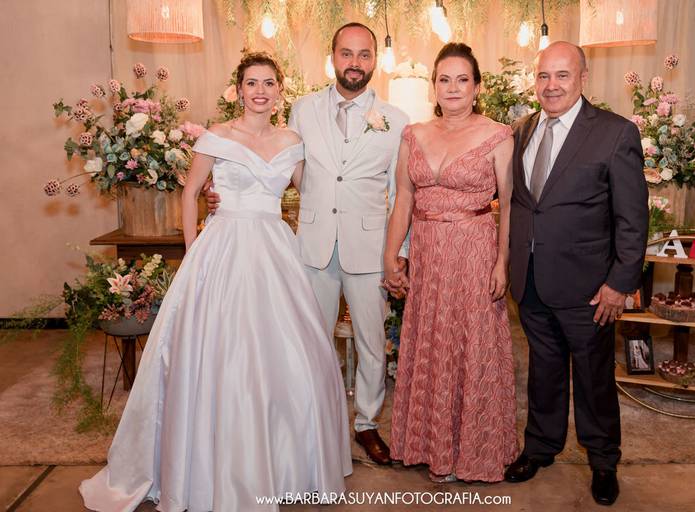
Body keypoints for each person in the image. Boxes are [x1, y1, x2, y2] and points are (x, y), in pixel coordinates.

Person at [80, 53, 352, 512]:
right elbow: (190, 193)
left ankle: (285, 461)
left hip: (275, 248)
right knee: (221, 349)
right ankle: (212, 462)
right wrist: (193, 252)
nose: (260, 91)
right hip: (224, 245)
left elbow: (311, 194)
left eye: (268, 83)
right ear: (239, 89)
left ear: (279, 90)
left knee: (289, 349)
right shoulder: (217, 136)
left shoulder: (292, 142)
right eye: (252, 83)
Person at [205, 23, 409, 465]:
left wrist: (399, 254)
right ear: (332, 57)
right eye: (346, 53)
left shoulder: (396, 121)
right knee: (309, 340)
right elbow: (274, 162)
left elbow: (401, 195)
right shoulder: (302, 110)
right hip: (312, 246)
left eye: (364, 54)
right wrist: (218, 185)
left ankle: (367, 424)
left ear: (374, 61)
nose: (354, 62)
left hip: (370, 247)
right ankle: (318, 421)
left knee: (372, 342)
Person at [503, 41, 648, 507]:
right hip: (531, 279)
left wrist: (620, 283)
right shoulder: (521, 131)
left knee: (593, 377)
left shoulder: (615, 133)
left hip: (590, 288)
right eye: (543, 76)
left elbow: (633, 219)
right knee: (543, 370)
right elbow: (523, 205)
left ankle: (603, 461)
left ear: (583, 78)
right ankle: (540, 447)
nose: (551, 85)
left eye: (562, 75)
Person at [382, 42, 518, 483]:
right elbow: (404, 199)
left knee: (472, 346)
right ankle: (430, 447)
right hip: (427, 254)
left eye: (463, 79)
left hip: (474, 251)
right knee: (430, 343)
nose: (453, 87)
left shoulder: (498, 135)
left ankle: (474, 452)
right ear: (434, 87)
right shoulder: (414, 135)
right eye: (445, 79)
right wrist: (391, 256)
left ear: (477, 87)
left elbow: (510, 206)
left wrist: (502, 262)